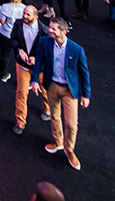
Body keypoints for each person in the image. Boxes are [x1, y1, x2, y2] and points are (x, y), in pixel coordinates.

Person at [31, 19, 91, 171]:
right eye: (50, 28)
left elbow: (85, 74)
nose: (50, 30)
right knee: (54, 116)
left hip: (69, 90)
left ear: (63, 32)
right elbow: (38, 62)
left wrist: (86, 95)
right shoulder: (45, 42)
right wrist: (34, 80)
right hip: (51, 86)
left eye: (53, 29)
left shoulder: (76, 50)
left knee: (71, 124)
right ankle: (58, 142)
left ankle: (69, 149)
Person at [11, 5, 50, 135]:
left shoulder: (44, 31)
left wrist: (36, 58)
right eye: (24, 13)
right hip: (23, 65)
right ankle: (20, 121)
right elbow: (13, 39)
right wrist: (19, 50)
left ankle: (47, 108)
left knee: (44, 89)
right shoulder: (18, 24)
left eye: (28, 14)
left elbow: (48, 51)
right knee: (21, 93)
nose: (24, 16)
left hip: (39, 67)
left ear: (36, 17)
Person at [0, 0, 24, 83]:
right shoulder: (24, 8)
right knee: (20, 57)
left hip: (5, 34)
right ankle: (23, 79)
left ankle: (3, 75)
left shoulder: (5, 7)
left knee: (4, 55)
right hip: (18, 36)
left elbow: (2, 21)